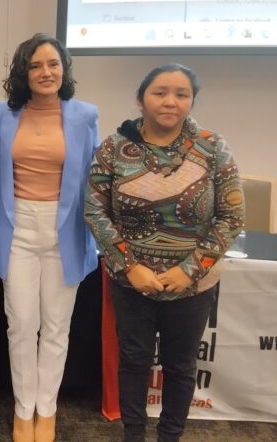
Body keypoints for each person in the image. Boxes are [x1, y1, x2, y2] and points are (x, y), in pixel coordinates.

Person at [85, 63, 244, 442]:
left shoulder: (212, 147)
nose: (170, 101)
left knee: (180, 365)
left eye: (181, 94)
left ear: (191, 101)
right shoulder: (113, 147)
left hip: (191, 284)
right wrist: (129, 266)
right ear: (140, 99)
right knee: (134, 361)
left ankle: (170, 435)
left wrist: (190, 269)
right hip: (131, 281)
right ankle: (134, 434)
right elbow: (94, 209)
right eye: (160, 92)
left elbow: (232, 216)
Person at [0, 33, 99, 442]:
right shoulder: (4, 112)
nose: (45, 72)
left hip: (65, 229)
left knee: (56, 326)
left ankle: (46, 411)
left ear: (64, 69)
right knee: (20, 324)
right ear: (23, 72)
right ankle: (23, 410)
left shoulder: (85, 114)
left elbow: (94, 175)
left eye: (53, 64)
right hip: (16, 225)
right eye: (35, 65)